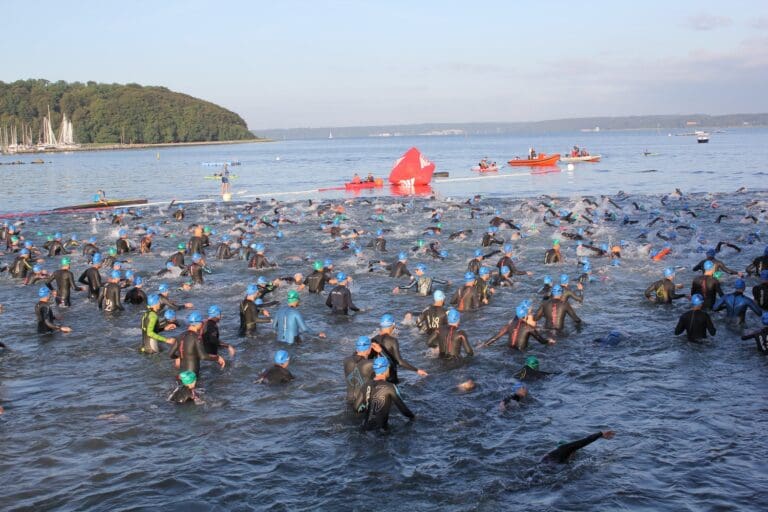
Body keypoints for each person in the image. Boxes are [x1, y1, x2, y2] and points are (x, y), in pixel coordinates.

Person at [360, 356, 415, 431]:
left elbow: (357, 407)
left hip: (364, 427)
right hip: (380, 431)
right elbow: (403, 410)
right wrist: (414, 417)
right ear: (386, 370)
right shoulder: (390, 387)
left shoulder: (366, 384)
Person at [371, 314, 428, 383]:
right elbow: (399, 361)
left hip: (378, 374)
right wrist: (417, 370)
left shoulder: (374, 339)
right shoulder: (393, 341)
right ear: (393, 325)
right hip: (391, 375)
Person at [170, 311, 226, 377]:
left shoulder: (180, 336)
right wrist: (217, 358)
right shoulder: (196, 338)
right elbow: (203, 356)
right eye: (201, 323)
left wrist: (178, 357)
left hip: (182, 374)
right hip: (192, 375)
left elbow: (171, 354)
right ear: (198, 324)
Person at [482, 303, 555, 351]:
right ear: (526, 315)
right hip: (520, 354)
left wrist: (485, 344)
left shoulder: (509, 325)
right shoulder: (529, 328)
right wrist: (549, 340)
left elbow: (496, 337)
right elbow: (541, 341)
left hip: (508, 352)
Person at [344, 336, 377, 412]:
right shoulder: (370, 364)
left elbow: (355, 357)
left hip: (349, 401)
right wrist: (380, 350)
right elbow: (388, 367)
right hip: (362, 402)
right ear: (369, 349)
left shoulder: (346, 361)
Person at [542, 431, 615, 464]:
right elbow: (582, 442)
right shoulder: (563, 450)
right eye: (573, 451)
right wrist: (600, 434)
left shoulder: (548, 456)